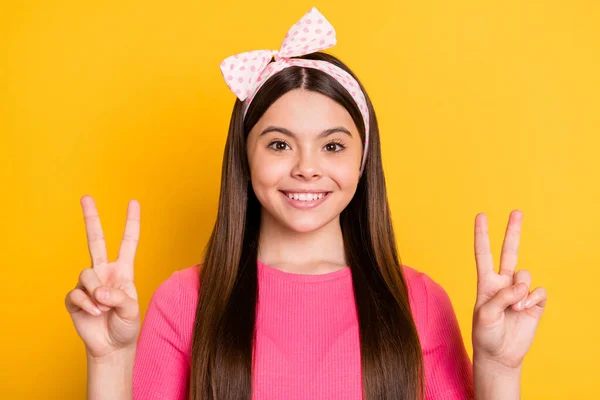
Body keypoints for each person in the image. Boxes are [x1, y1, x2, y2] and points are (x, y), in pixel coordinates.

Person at [65, 7, 547, 400]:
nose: (307, 167)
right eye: (279, 144)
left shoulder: (419, 302)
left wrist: (500, 369)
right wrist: (108, 362)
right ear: (244, 157)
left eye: (332, 146)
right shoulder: (184, 301)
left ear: (363, 162)